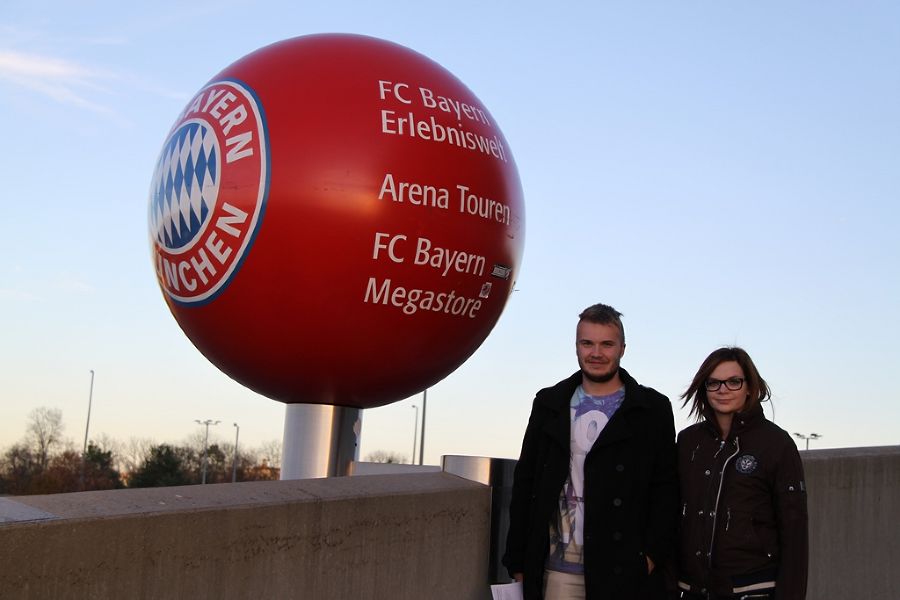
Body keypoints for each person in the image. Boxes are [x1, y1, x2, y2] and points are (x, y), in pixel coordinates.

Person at [502, 303, 679, 600]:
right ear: (576, 347)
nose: (596, 353)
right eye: (587, 343)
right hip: (555, 570)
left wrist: (650, 557)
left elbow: (666, 489)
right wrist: (518, 560)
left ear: (623, 348)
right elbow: (526, 483)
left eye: (606, 344)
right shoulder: (549, 403)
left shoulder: (652, 409)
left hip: (623, 571)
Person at [675, 347, 808, 600]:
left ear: (750, 387)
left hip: (752, 589)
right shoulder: (688, 442)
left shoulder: (776, 444)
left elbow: (795, 534)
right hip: (691, 590)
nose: (723, 390)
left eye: (733, 381)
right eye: (713, 383)